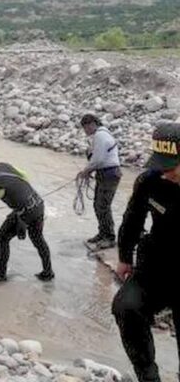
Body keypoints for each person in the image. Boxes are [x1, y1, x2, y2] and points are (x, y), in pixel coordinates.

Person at [112, 122, 180, 382]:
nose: (165, 173)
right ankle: (148, 377)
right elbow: (132, 219)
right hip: (156, 263)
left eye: (171, 167)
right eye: (160, 166)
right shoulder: (150, 180)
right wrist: (124, 257)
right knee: (125, 307)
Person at [0, 160, 55, 282]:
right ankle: (48, 272)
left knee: (1, 237)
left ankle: (0, 274)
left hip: (25, 212)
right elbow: (24, 175)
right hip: (37, 203)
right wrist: (22, 198)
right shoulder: (2, 165)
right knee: (38, 239)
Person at [78, 114, 122, 251]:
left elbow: (98, 159)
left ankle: (109, 237)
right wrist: (90, 170)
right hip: (105, 173)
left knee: (103, 206)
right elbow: (98, 159)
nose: (85, 132)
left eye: (85, 128)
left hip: (109, 174)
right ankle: (102, 233)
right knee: (98, 204)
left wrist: (86, 171)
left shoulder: (100, 136)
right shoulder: (102, 135)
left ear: (91, 124)